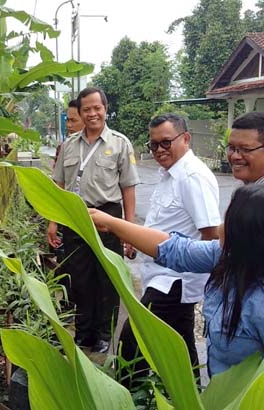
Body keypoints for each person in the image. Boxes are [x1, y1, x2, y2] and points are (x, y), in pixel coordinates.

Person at [89, 184, 264, 376]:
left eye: (228, 221)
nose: (219, 226)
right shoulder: (229, 257)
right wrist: (110, 222)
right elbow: (175, 249)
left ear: (249, 236)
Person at [118, 113, 220, 387]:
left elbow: (211, 236)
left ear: (185, 138)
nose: (160, 150)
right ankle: (189, 395)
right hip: (161, 274)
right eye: (154, 145)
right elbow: (162, 224)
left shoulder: (193, 177)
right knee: (180, 342)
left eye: (166, 143)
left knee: (134, 339)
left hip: (175, 279)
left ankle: (129, 397)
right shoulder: (170, 175)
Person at [48, 87, 140, 353]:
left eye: (96, 108)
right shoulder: (69, 145)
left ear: (105, 109)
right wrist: (53, 221)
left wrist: (129, 230)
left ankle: (102, 334)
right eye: (86, 109)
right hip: (75, 217)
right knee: (78, 277)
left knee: (106, 277)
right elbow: (59, 185)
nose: (92, 114)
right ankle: (83, 331)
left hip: (108, 217)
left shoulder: (119, 144)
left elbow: (129, 188)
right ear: (80, 111)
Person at [54, 99, 85, 166]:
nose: (68, 125)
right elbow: (56, 175)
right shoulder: (63, 147)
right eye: (67, 120)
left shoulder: (100, 146)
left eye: (73, 120)